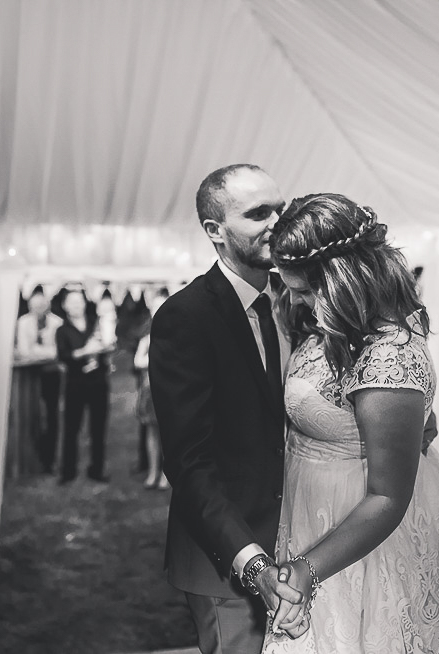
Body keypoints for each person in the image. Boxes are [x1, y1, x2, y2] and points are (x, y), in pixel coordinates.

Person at [263, 194, 439, 652]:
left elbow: (388, 494)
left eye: (306, 290)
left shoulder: (388, 357)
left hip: (367, 536)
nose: (295, 300)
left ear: (342, 280)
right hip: (314, 515)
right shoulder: (336, 326)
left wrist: (307, 570)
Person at [149, 164, 305, 653]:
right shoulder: (184, 317)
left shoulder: (297, 300)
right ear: (215, 231)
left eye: (281, 209)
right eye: (258, 213)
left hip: (305, 538)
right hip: (227, 557)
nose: (278, 222)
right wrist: (251, 562)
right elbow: (188, 461)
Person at [55, 287, 114, 485]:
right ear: (65, 305)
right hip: (75, 384)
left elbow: (107, 345)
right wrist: (84, 351)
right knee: (71, 429)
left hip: (98, 382)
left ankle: (97, 469)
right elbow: (63, 357)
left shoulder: (95, 323)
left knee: (98, 429)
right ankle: (68, 471)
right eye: (72, 302)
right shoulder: (62, 330)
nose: (77, 305)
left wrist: (106, 348)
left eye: (79, 301)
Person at [15, 290, 64, 474]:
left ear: (48, 305)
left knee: (52, 416)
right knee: (30, 415)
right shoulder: (24, 322)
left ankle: (49, 459)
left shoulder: (57, 323)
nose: (38, 310)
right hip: (28, 377)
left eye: (41, 306)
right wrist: (44, 351)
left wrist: (37, 350)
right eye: (34, 307)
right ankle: (31, 454)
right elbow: (23, 350)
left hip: (51, 376)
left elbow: (58, 352)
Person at [133, 333, 169, 490]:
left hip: (169, 391)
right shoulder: (146, 339)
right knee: (152, 433)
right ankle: (153, 471)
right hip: (150, 391)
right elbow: (137, 362)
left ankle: (166, 474)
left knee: (168, 435)